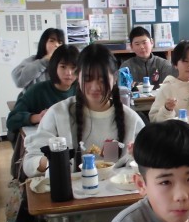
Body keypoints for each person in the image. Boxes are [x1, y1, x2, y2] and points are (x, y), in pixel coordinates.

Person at [23, 43, 145, 177]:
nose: (94, 87)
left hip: (116, 189)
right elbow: (29, 163)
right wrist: (51, 161)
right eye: (87, 79)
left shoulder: (130, 119)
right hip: (70, 189)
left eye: (102, 80)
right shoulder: (58, 113)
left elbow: (145, 165)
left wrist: (141, 157)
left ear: (115, 79)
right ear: (77, 76)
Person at [6, 45, 79, 133]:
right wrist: (37, 117)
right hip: (45, 138)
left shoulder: (82, 91)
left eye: (73, 68)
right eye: (63, 67)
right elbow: (11, 120)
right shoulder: (37, 90)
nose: (69, 73)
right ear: (54, 67)